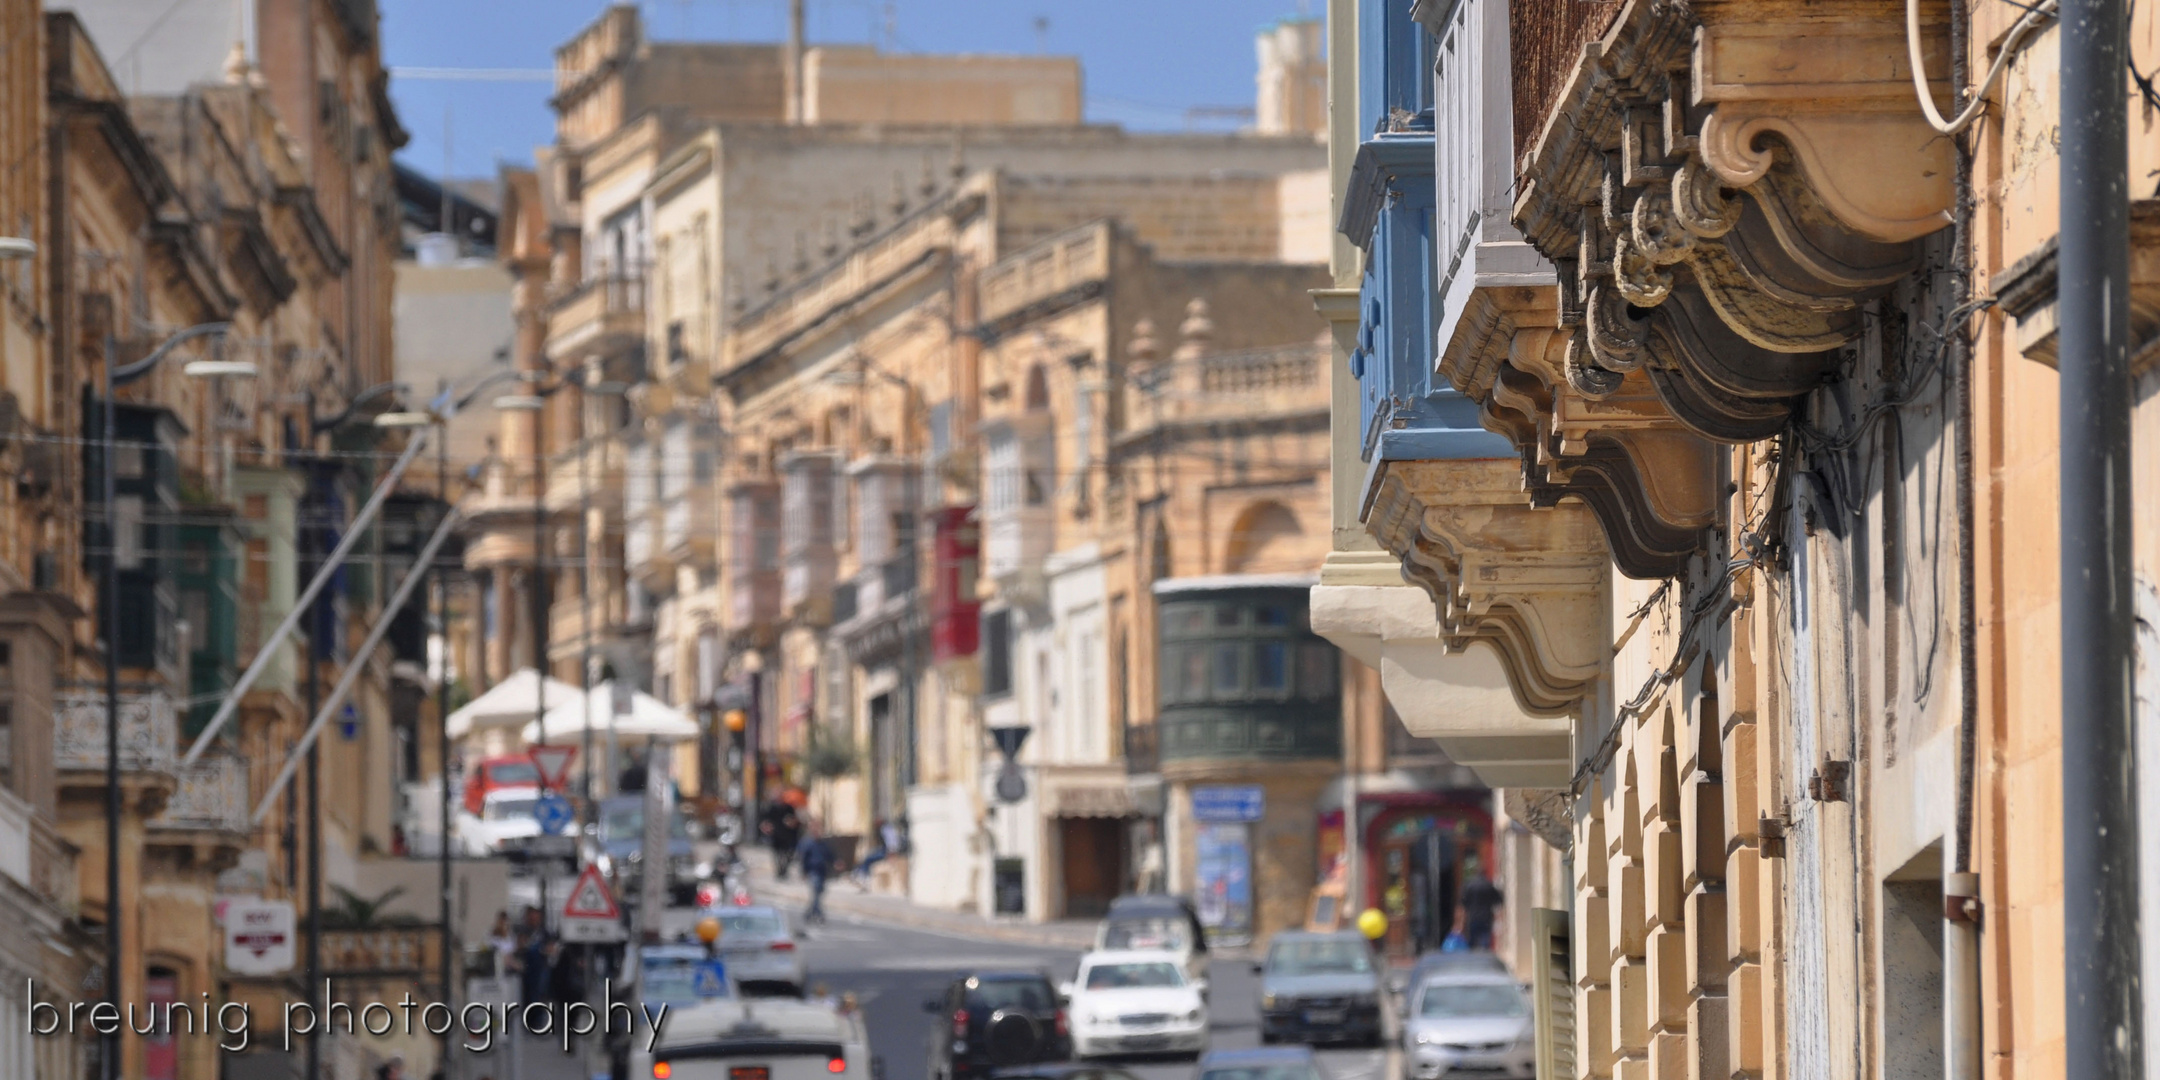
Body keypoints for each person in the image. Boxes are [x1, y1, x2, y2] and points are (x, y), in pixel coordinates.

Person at [796, 820, 834, 924]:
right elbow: (802, 858)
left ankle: (809, 913)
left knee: (819, 893)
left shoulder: (823, 844)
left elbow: (829, 854)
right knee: (816, 893)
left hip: (822, 872)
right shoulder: (807, 843)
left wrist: (836, 862)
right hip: (813, 871)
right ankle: (819, 914)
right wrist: (803, 872)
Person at [1459, 872, 1504, 951]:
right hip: (1486, 917)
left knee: (1472, 942)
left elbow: (1463, 903)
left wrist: (1461, 921)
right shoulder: (1488, 885)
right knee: (1485, 942)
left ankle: (1472, 958)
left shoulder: (1469, 886)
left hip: (1473, 917)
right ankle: (1484, 954)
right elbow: (1499, 900)